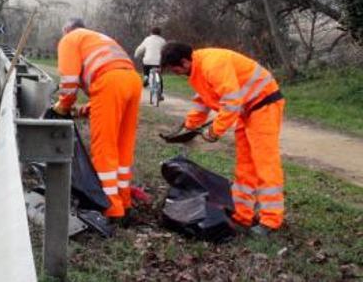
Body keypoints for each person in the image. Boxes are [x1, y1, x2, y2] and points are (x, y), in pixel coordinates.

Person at [161, 42, 285, 235]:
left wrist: (214, 131)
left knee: (264, 162)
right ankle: (242, 213)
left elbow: (231, 102)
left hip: (263, 105)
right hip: (248, 110)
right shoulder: (198, 69)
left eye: (174, 69)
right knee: (245, 164)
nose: (175, 73)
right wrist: (189, 126)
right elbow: (203, 102)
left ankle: (271, 220)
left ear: (184, 62)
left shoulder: (213, 65)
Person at [51, 18, 142, 221]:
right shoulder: (97, 37)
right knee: (123, 144)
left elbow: (69, 81)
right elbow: (113, 76)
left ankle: (111, 208)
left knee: (104, 147)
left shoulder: (69, 39)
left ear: (67, 30)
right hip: (132, 81)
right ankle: (124, 201)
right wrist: (84, 109)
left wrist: (63, 107)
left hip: (110, 83)